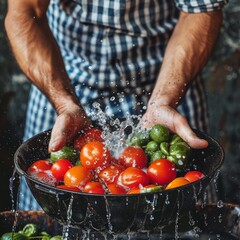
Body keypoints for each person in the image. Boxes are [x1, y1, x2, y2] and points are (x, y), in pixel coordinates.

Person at [5, 0, 226, 210]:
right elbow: (24, 13)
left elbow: (200, 9)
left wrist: (164, 99)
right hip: (61, 85)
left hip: (171, 85)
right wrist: (64, 104)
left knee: (182, 217)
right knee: (52, 219)